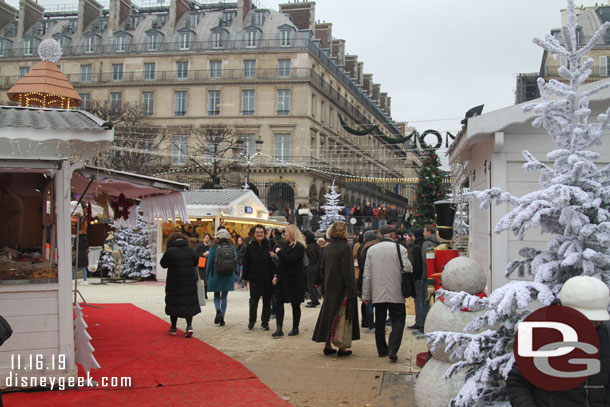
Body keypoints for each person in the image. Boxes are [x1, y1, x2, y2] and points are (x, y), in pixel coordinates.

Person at [506, 276, 610, 406]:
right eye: (587, 319)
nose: (594, 324)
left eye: (596, 320)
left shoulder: (606, 334)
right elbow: (518, 382)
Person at [362, 225, 412, 362]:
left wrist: (366, 295)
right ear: (392, 235)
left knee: (379, 321)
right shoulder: (400, 249)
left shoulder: (371, 250)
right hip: (396, 290)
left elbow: (367, 275)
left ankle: (382, 350)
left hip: (378, 292)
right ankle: (393, 348)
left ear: (381, 235)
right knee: (398, 320)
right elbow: (407, 268)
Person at [312, 221, 360, 356]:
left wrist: (325, 281)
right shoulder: (345, 248)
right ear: (344, 231)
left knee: (329, 315)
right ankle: (342, 347)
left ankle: (327, 344)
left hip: (330, 286)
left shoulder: (327, 247)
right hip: (343, 288)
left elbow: (322, 268)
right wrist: (351, 289)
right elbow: (348, 272)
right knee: (342, 317)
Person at [160, 233, 200, 338]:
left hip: (174, 283)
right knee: (189, 304)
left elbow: (163, 264)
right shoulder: (191, 250)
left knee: (174, 303)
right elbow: (196, 262)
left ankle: (173, 327)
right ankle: (189, 326)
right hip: (189, 282)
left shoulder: (170, 251)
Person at [271, 224, 306, 338]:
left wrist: (279, 252)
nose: (284, 234)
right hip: (283, 279)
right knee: (279, 302)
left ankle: (295, 327)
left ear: (291, 233)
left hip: (294, 280)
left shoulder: (299, 247)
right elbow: (282, 262)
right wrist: (276, 275)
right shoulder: (286, 245)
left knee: (295, 304)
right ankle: (279, 328)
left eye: (286, 232)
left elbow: (290, 260)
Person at [242, 224, 276, 331]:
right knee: (254, 301)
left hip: (268, 278)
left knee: (267, 301)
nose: (259, 234)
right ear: (254, 233)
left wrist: (275, 274)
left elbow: (274, 262)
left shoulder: (270, 244)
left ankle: (265, 322)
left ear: (264, 233)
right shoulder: (250, 246)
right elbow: (246, 263)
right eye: (257, 232)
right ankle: (252, 321)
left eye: (261, 232)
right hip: (254, 278)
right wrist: (245, 278)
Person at [206, 229, 237, 327]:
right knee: (224, 297)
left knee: (216, 296)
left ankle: (218, 311)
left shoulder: (213, 248)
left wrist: (207, 276)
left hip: (216, 274)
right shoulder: (232, 247)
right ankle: (222, 318)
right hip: (228, 275)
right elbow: (235, 260)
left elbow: (209, 263)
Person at [418, 224, 439, 332]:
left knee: (425, 302)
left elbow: (426, 261)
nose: (423, 233)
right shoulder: (438, 243)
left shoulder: (426, 244)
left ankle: (424, 328)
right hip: (437, 277)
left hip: (427, 276)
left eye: (424, 231)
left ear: (429, 233)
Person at [357, 230, 378, 333]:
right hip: (377, 277)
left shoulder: (363, 249)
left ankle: (370, 324)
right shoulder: (377, 248)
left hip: (366, 277)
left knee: (368, 302)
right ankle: (376, 324)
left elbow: (363, 266)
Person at [408, 229, 426, 331]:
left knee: (418, 300)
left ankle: (419, 322)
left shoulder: (416, 247)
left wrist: (413, 276)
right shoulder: (423, 245)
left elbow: (416, 264)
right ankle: (420, 321)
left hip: (418, 277)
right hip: (422, 276)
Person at [304, 231, 321, 308]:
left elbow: (311, 259)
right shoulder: (316, 245)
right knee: (312, 285)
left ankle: (314, 301)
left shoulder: (309, 247)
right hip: (316, 267)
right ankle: (314, 299)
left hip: (311, 267)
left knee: (310, 285)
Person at [196, 233, 212, 299]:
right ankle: (202, 293)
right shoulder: (200, 246)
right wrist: (202, 254)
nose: (206, 239)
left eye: (208, 238)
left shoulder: (211, 246)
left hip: (208, 264)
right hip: (201, 264)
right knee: (202, 279)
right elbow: (196, 254)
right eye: (205, 237)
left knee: (207, 280)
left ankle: (205, 293)